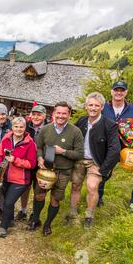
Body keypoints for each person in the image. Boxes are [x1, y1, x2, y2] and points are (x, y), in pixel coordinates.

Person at [28, 101, 84, 236]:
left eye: (64, 113)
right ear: (53, 113)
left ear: (69, 115)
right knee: (39, 195)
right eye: (58, 113)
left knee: (55, 199)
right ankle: (36, 219)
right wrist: (40, 158)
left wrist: (63, 152)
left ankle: (47, 224)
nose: (61, 116)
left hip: (63, 171)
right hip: (46, 170)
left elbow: (79, 153)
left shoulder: (76, 132)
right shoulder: (45, 129)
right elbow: (38, 147)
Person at [99, 81, 133, 212]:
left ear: (126, 92)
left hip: (127, 149)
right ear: (111, 91)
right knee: (101, 173)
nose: (119, 92)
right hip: (108, 148)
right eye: (116, 90)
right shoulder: (102, 108)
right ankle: (97, 198)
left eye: (122, 90)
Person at [68, 93, 120, 228]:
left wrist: (103, 169)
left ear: (102, 107)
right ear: (86, 106)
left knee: (92, 186)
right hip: (79, 160)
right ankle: (72, 212)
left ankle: (89, 215)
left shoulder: (110, 125)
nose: (93, 108)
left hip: (96, 162)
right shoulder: (81, 121)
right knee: (75, 185)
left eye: (96, 105)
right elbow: (70, 138)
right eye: (90, 105)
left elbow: (115, 150)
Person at [0, 117, 37, 237]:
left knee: (8, 202)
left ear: (25, 128)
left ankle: (3, 227)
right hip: (5, 176)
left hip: (20, 179)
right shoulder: (6, 138)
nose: (19, 129)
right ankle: (10, 219)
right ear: (12, 127)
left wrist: (15, 160)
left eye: (21, 127)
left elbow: (31, 164)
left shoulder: (30, 144)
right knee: (6, 200)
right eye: (16, 126)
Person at [17, 105, 49, 221]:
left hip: (41, 165)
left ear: (44, 116)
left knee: (39, 190)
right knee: (25, 187)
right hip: (27, 163)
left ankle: (35, 215)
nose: (36, 117)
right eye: (34, 114)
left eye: (39, 115)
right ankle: (23, 210)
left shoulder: (49, 129)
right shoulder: (26, 127)